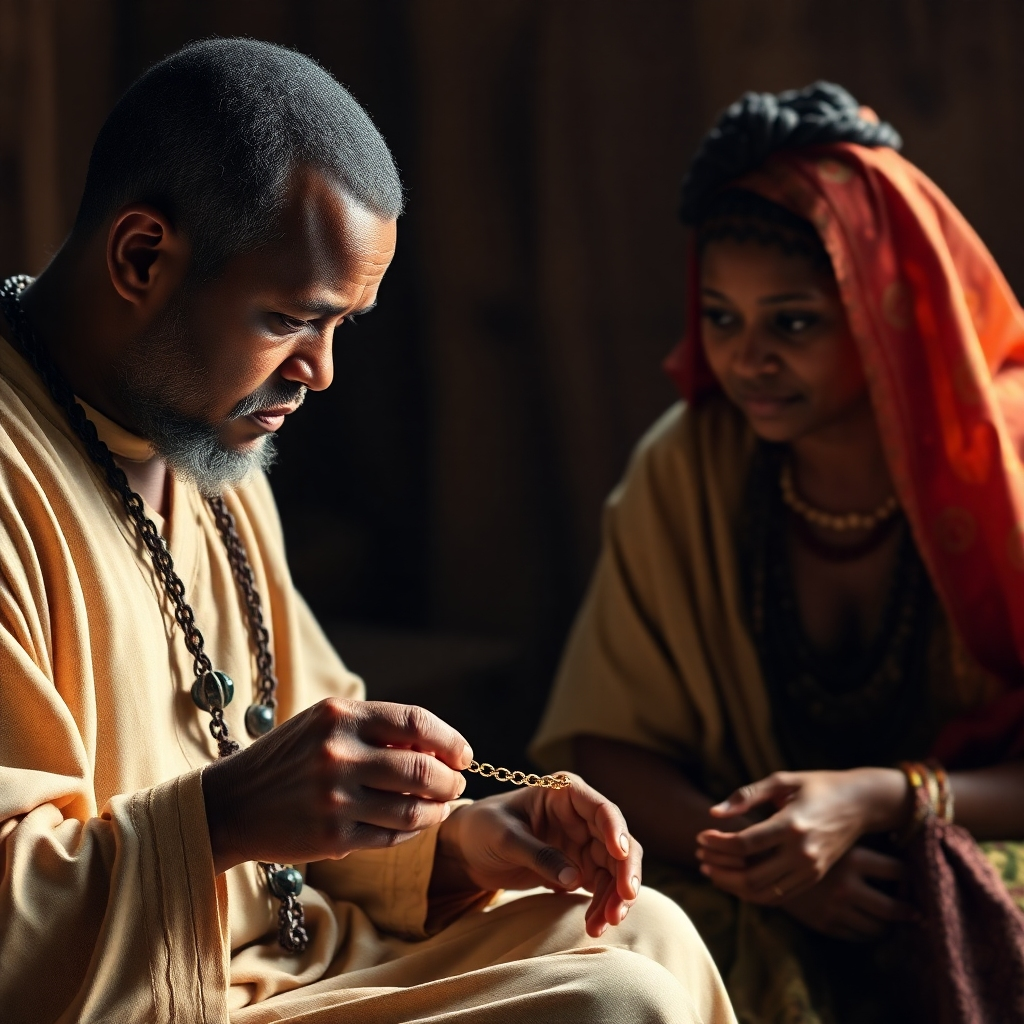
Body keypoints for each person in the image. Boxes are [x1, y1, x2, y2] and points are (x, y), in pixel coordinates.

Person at [0, 39, 737, 1024]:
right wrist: (222, 820)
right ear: (142, 256)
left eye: (344, 326)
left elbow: (306, 769)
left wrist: (465, 839)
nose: (321, 371)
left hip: (293, 960)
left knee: (642, 930)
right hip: (154, 997)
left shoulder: (208, 440)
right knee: (612, 1006)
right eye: (291, 320)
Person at [531, 82, 1024, 1023]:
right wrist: (773, 871)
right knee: (618, 945)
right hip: (755, 872)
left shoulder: (1004, 466)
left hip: (977, 842)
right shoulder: (687, 466)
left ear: (889, 319)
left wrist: (882, 800)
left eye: (792, 323)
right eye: (721, 318)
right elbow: (610, 749)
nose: (747, 358)